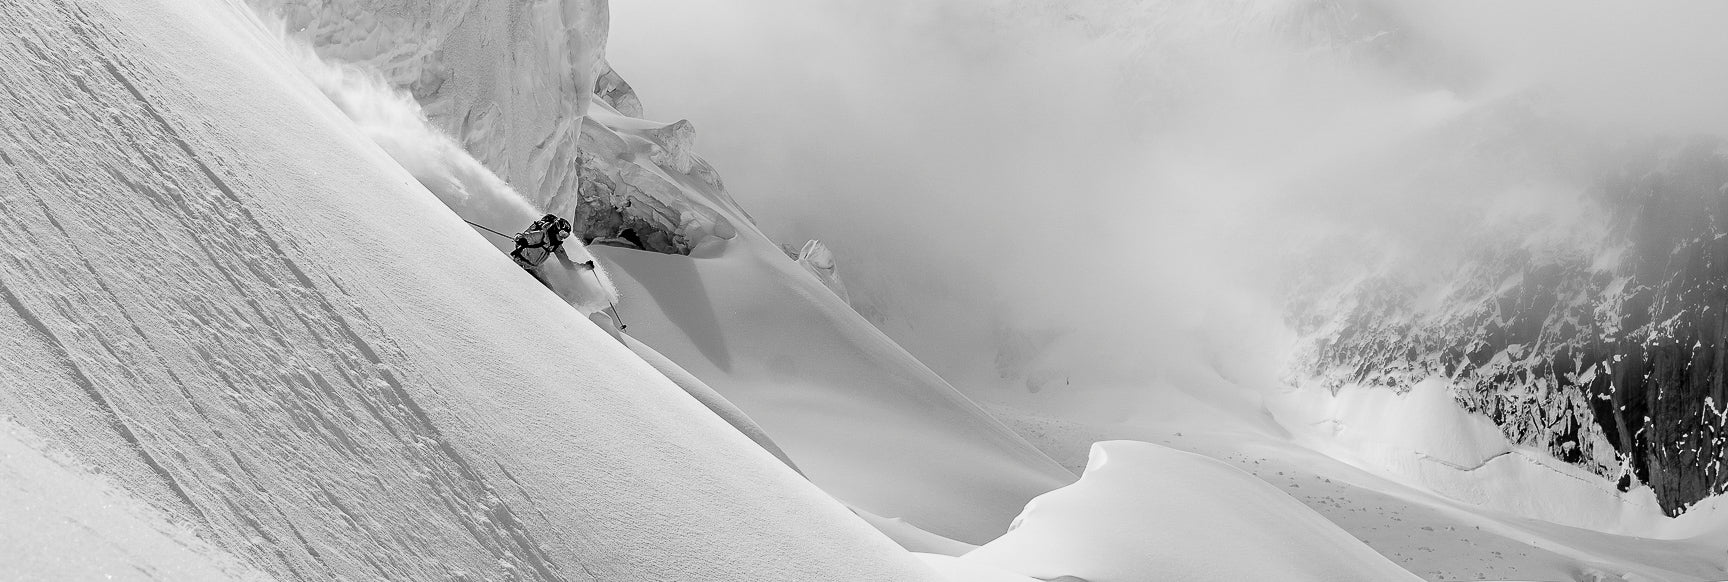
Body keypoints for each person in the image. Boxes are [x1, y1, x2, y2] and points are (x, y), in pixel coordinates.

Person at [510, 214, 592, 284]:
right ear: (556, 229)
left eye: (565, 235)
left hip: (535, 268)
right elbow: (522, 236)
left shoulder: (556, 246)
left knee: (550, 290)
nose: (562, 237)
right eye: (562, 233)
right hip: (520, 262)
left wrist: (584, 266)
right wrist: (521, 240)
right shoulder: (541, 235)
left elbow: (567, 264)